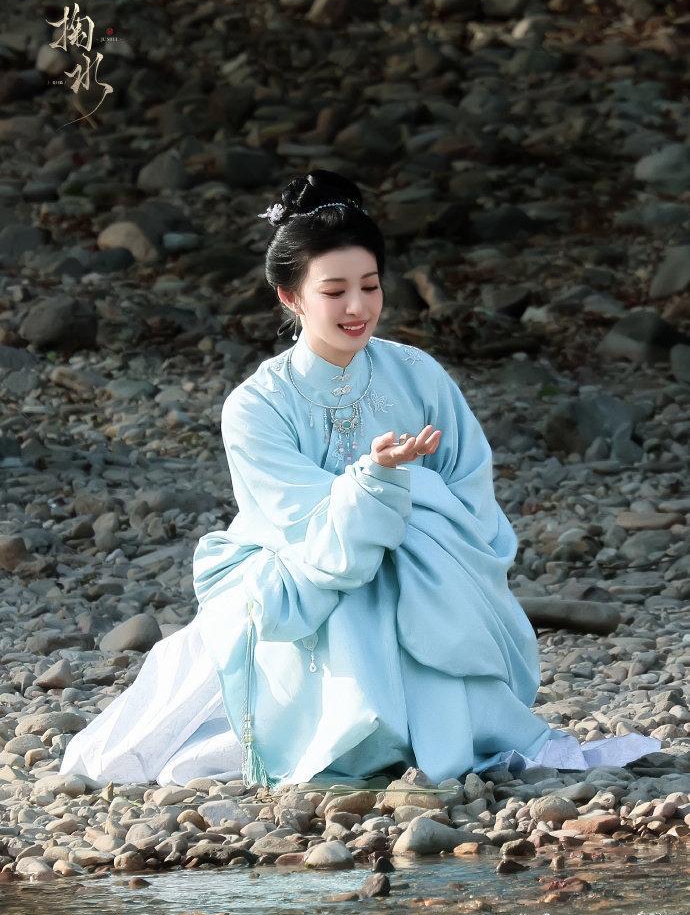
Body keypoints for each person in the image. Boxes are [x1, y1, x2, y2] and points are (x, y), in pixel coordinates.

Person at [60, 169, 660, 791]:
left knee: (415, 539)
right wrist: (377, 481)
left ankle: (443, 723)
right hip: (305, 573)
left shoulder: (417, 373)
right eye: (335, 291)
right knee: (367, 578)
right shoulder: (257, 405)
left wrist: (421, 514)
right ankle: (362, 731)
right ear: (290, 297)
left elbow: (469, 484)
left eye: (370, 286)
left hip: (429, 571)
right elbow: (301, 527)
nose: (358, 307)